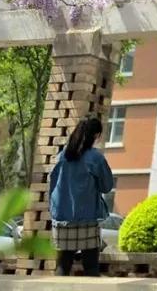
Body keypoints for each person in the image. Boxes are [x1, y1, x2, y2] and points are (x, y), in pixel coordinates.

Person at [49, 115, 114, 277]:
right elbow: (106, 187)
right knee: (91, 267)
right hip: (88, 218)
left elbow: (53, 185)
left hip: (62, 218)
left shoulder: (62, 156)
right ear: (96, 135)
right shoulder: (96, 158)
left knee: (62, 265)